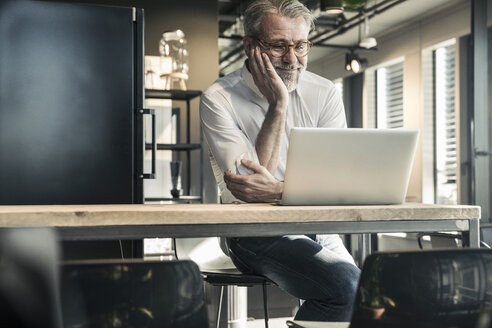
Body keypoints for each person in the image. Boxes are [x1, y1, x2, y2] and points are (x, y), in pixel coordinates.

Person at [200, 0, 360, 321]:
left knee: (367, 299)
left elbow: (334, 183)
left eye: (300, 46)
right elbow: (248, 194)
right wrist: (279, 105)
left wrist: (276, 192)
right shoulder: (218, 98)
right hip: (251, 233)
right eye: (278, 46)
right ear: (249, 46)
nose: (291, 58)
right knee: (347, 287)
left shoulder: (325, 92)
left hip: (317, 226)